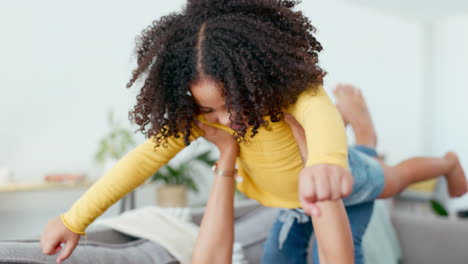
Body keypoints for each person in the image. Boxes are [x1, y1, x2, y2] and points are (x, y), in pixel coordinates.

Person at [39, 1, 467, 263]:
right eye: (209, 108)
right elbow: (144, 158)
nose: (223, 120)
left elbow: (320, 115)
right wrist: (75, 219)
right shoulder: (202, 117)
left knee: (392, 179)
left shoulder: (290, 94)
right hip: (287, 204)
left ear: (261, 81)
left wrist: (326, 161)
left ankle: (446, 162)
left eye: (235, 104)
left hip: (340, 180)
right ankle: (365, 132)